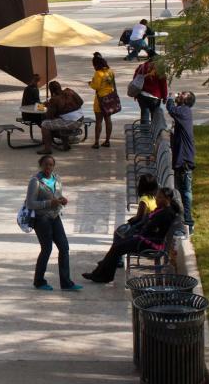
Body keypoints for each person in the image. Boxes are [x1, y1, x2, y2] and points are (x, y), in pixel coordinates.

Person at [83, 187, 180, 284]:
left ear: (167, 199)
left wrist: (137, 233)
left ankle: (103, 273)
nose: (157, 199)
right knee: (117, 245)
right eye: (157, 196)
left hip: (148, 243)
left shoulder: (166, 213)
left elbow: (151, 228)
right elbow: (149, 225)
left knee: (117, 248)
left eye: (160, 197)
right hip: (144, 238)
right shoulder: (164, 209)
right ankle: (101, 270)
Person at [24, 155, 82, 292]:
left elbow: (57, 195)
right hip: (41, 219)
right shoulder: (35, 181)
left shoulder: (57, 178)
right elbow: (30, 203)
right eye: (46, 164)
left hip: (55, 216)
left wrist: (61, 200)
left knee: (64, 247)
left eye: (51, 165)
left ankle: (66, 283)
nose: (48, 167)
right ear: (41, 165)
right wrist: (49, 203)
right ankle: (39, 281)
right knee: (47, 249)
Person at [166, 91, 196, 235]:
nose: (180, 94)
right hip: (180, 159)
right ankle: (180, 220)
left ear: (186, 100)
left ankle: (188, 223)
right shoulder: (183, 113)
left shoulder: (184, 111)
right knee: (179, 192)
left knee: (185, 192)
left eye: (183, 94)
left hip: (184, 161)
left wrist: (170, 97)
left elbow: (171, 109)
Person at [37, 81, 84, 154]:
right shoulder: (70, 91)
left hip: (72, 122)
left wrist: (44, 105)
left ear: (51, 90)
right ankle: (65, 145)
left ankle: (47, 149)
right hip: (80, 119)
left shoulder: (54, 99)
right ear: (60, 87)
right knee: (60, 120)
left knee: (45, 124)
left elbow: (49, 116)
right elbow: (81, 102)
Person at [88, 52, 116, 148]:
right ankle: (107, 141)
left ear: (95, 64)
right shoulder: (110, 72)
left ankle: (96, 142)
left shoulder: (98, 73)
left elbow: (96, 86)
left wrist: (90, 83)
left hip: (100, 99)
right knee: (108, 120)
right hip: (110, 99)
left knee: (98, 121)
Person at [134, 57, 168, 127]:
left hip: (142, 95)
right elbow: (163, 85)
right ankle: (154, 134)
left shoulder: (142, 67)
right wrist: (165, 97)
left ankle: (144, 134)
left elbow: (135, 80)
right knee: (154, 116)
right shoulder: (160, 70)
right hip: (155, 97)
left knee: (144, 115)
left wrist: (135, 94)